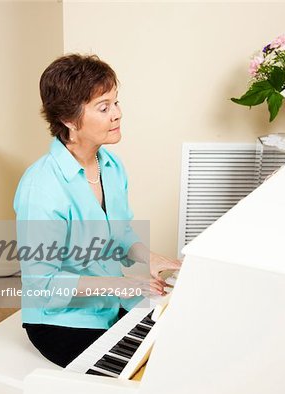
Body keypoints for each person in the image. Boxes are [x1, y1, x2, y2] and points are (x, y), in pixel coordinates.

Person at [14, 54, 181, 367]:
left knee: (176, 342)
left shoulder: (112, 167)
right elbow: (43, 284)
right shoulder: (41, 189)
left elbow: (120, 232)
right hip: (60, 322)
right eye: (104, 108)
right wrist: (126, 284)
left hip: (108, 304)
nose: (117, 114)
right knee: (148, 369)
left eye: (116, 103)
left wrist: (149, 256)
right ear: (68, 119)